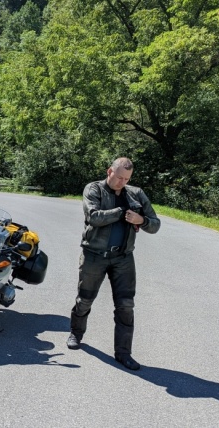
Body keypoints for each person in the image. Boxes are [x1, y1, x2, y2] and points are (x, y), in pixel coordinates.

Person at [66, 157, 160, 371]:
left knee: (126, 306)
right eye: (119, 177)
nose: (122, 182)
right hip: (94, 255)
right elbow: (94, 217)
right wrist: (121, 213)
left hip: (123, 258)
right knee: (85, 300)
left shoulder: (136, 194)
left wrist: (141, 221)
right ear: (110, 171)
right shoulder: (94, 189)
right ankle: (76, 333)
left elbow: (155, 225)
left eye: (126, 179)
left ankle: (123, 353)